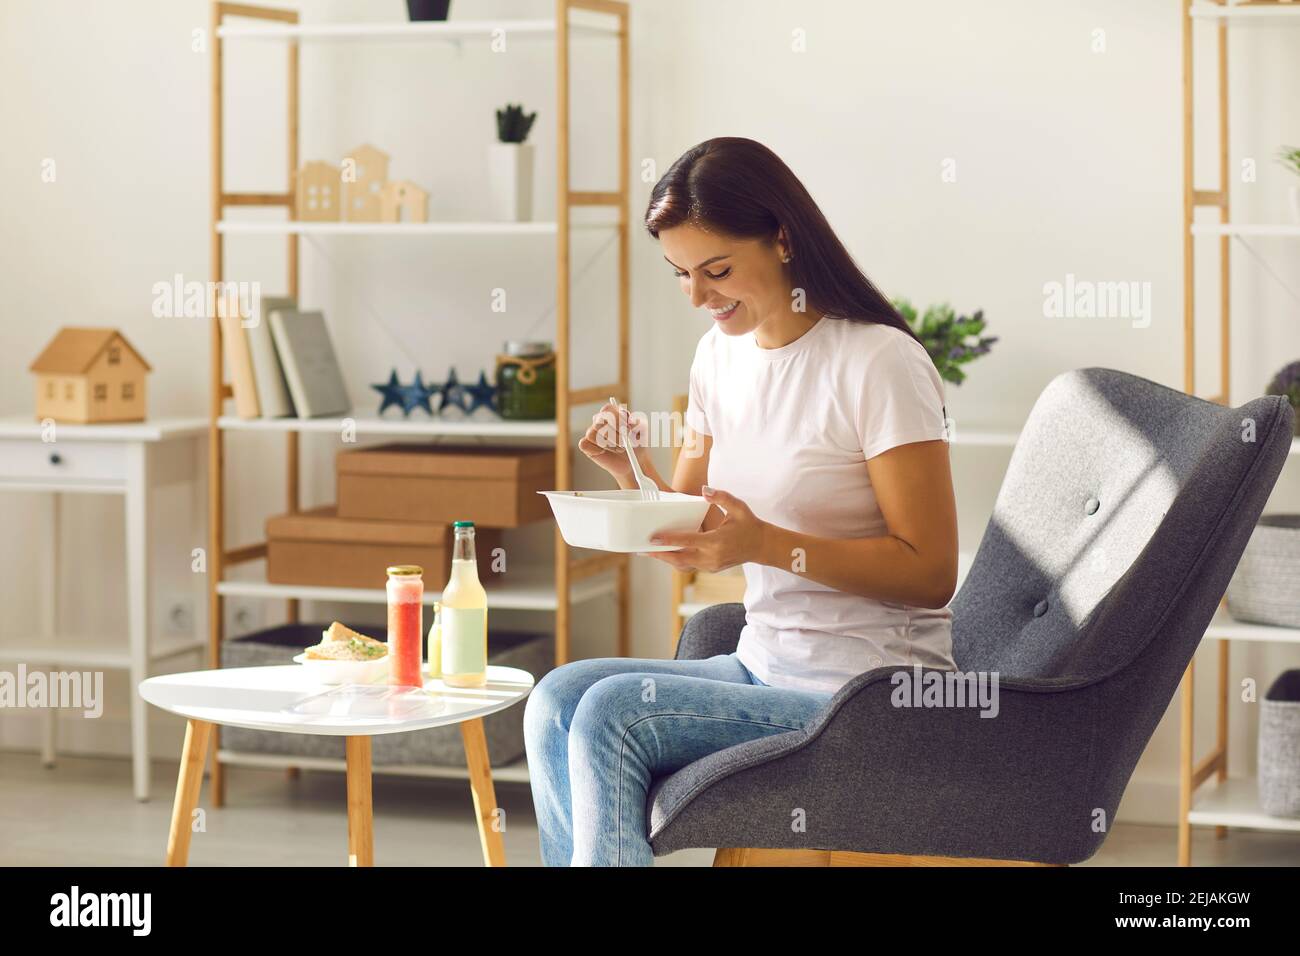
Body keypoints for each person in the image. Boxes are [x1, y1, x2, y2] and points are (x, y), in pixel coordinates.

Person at [523, 136, 959, 866]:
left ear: (783, 238)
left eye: (717, 270)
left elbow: (930, 572)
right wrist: (631, 475)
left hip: (873, 691)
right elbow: (687, 533)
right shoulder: (717, 358)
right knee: (557, 699)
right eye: (680, 275)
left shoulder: (878, 362)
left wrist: (766, 545)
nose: (698, 295)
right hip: (764, 667)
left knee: (610, 715)